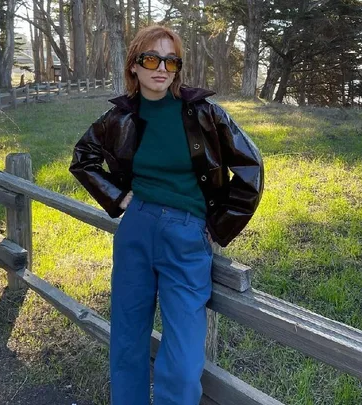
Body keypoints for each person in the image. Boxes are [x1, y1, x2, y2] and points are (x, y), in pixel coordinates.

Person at [70, 25, 264, 405]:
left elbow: (250, 166)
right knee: (127, 335)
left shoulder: (204, 113)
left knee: (183, 349)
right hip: (136, 229)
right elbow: (83, 159)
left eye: (171, 61)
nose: (162, 68)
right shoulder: (119, 117)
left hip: (187, 233)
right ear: (134, 66)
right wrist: (119, 198)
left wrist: (220, 225)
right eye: (151, 59)